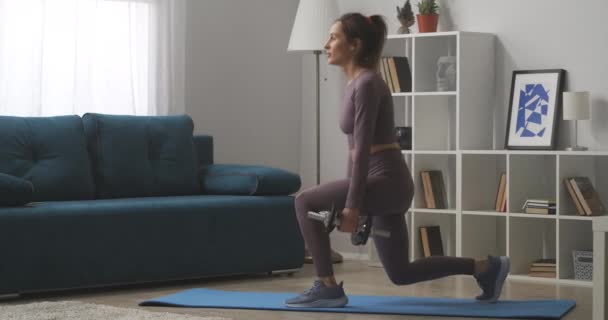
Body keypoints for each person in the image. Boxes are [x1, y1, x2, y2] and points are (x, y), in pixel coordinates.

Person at [285, 12, 510, 308]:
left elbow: (364, 147)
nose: (326, 44)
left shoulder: (366, 84)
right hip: (382, 184)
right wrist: (353, 200)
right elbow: (354, 149)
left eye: (333, 37)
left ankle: (327, 287)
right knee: (401, 273)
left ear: (354, 45)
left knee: (303, 202)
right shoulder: (355, 83)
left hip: (386, 182)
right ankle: (485, 268)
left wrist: (352, 205)